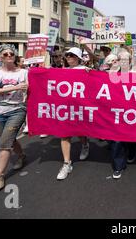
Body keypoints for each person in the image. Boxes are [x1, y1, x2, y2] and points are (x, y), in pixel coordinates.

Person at [0, 44, 28, 191]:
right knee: (9, 139)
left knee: (4, 144)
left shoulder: (24, 72)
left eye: (11, 53)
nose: (9, 56)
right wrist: (15, 87)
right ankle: (22, 155)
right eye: (5, 54)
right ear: (0, 57)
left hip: (17, 110)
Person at [56, 47, 90, 180]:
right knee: (65, 135)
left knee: (80, 131)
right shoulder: (62, 71)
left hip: (79, 107)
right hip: (65, 107)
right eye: (68, 55)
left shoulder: (84, 70)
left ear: (78, 58)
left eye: (72, 55)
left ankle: (85, 144)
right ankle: (66, 163)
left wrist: (90, 73)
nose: (69, 57)